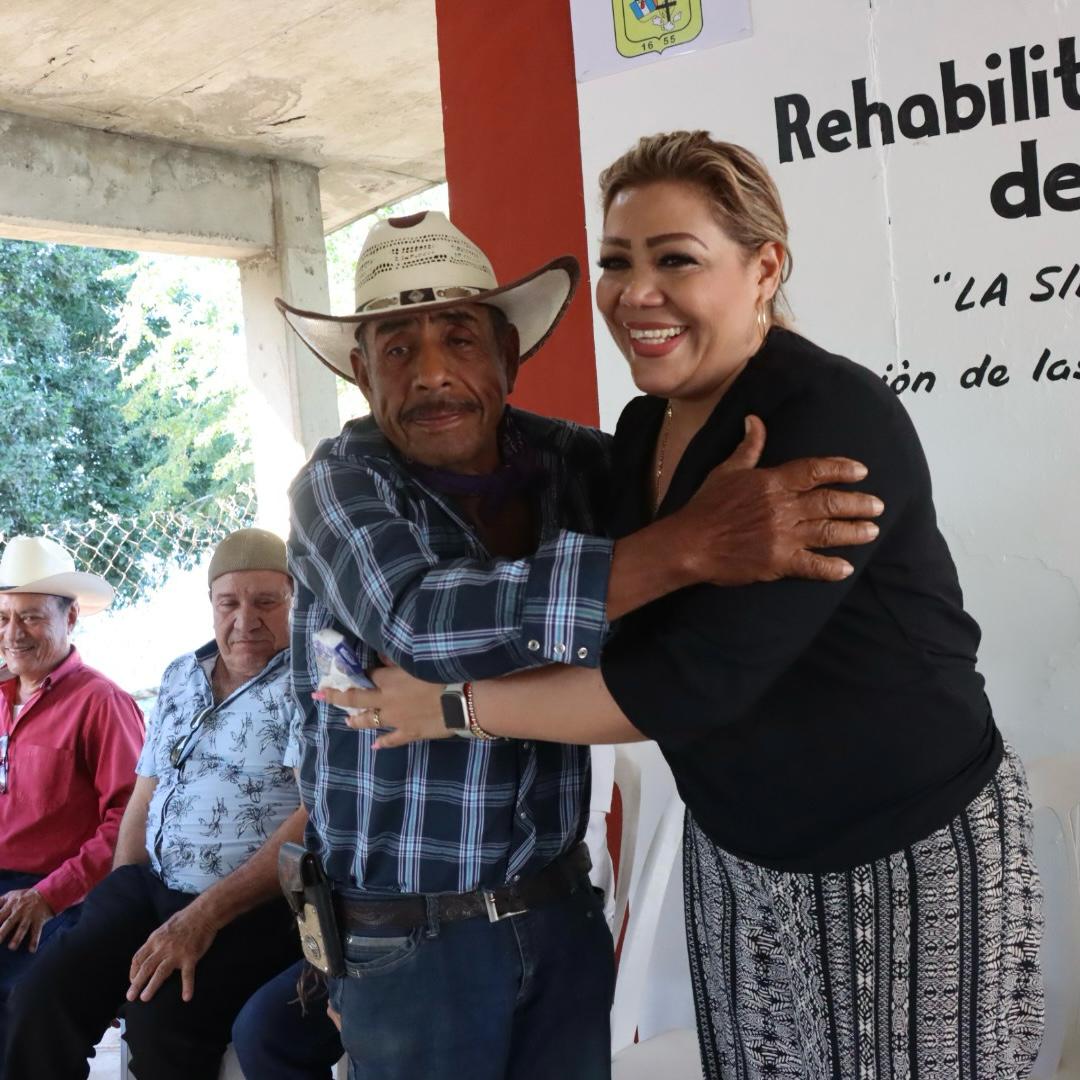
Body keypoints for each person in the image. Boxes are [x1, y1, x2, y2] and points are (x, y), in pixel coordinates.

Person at [325, 132, 1045, 1080]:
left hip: (899, 850)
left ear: (763, 268)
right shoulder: (635, 432)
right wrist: (686, 544)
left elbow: (687, 682)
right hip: (740, 855)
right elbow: (511, 611)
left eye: (676, 259)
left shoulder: (831, 415)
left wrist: (450, 706)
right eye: (619, 263)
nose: (637, 293)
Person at [273, 208, 883, 1080]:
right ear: (363, 374)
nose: (433, 375)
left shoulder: (577, 464)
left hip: (558, 912)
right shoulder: (337, 486)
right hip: (408, 941)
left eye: (459, 339)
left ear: (509, 357)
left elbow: (704, 526)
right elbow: (424, 623)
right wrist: (680, 548)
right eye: (398, 349)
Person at [5, 528, 306, 1080]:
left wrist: (201, 916)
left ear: (296, 599)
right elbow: (145, 791)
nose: (245, 619)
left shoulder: (314, 685)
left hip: (252, 905)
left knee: (161, 1019)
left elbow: (316, 816)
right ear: (211, 606)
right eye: (229, 603)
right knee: (41, 993)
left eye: (266, 601)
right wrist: (123, 898)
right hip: (149, 885)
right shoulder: (181, 676)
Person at [0, 535, 143, 1068]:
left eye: (32, 617)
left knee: (30, 1009)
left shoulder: (101, 703)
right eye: (5, 617)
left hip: (65, 897)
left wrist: (48, 895)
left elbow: (130, 821)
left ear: (71, 619)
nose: (14, 633)